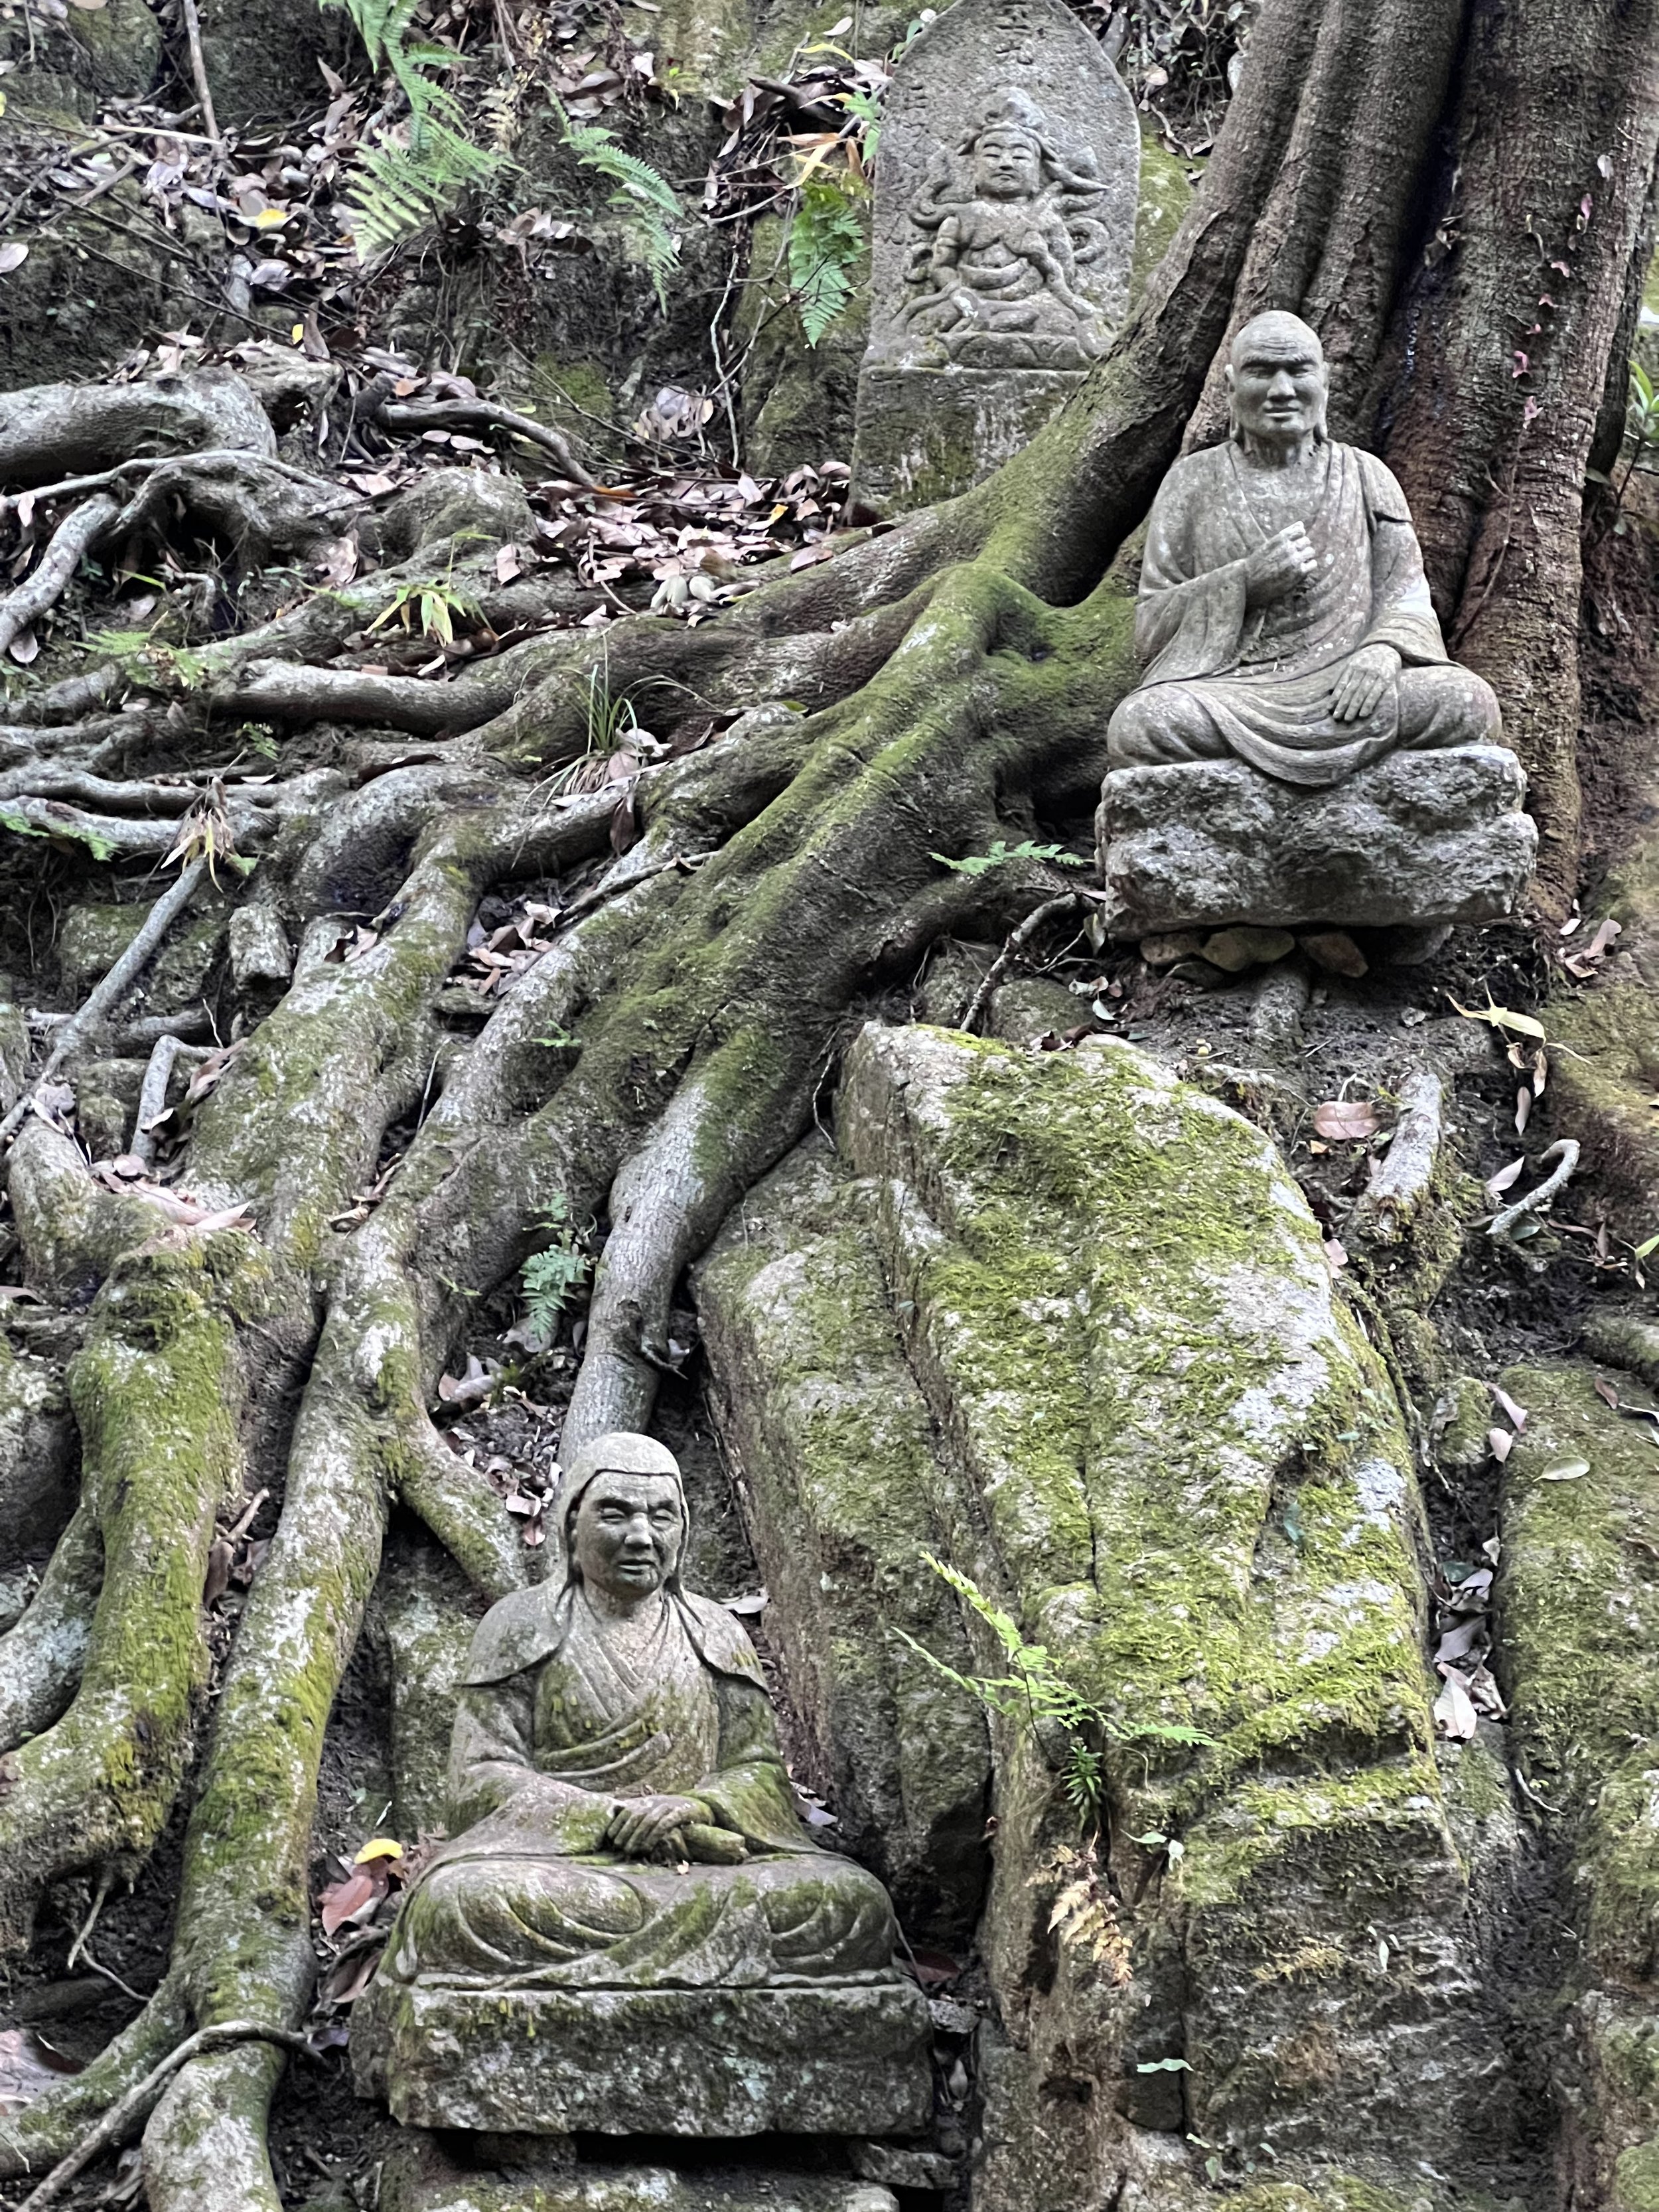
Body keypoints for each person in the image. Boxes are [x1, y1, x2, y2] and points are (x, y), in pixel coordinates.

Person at [377, 1432, 899, 1992]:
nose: (641, 1537)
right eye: (615, 1515)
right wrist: (606, 1819)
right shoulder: (519, 1625)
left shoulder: (715, 1632)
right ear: (571, 1524)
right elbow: (477, 1779)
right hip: (566, 1867)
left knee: (852, 1903)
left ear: (684, 1529)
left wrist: (693, 1806)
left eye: (662, 1517)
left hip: (703, 1867)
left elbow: (760, 1771)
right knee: (459, 1905)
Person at [1106, 311, 1502, 787]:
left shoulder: (1365, 475)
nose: (1281, 390)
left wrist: (1384, 652)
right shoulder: (1192, 482)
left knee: (1468, 703)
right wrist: (1246, 582)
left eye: (1298, 370)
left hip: (1350, 692)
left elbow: (1408, 597)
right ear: (1231, 387)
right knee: (1142, 724)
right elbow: (1152, 626)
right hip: (1235, 693)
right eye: (1260, 372)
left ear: (1325, 382)